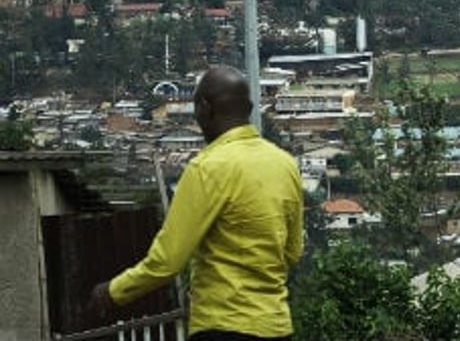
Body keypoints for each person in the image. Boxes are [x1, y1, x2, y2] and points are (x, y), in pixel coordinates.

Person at [89, 66, 304, 341]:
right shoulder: (285, 165)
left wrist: (112, 292)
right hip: (277, 327)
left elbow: (167, 261)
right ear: (249, 107)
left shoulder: (207, 168)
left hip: (223, 328)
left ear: (204, 107)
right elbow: (293, 252)